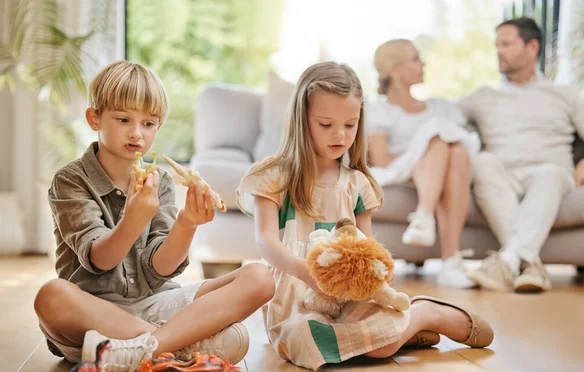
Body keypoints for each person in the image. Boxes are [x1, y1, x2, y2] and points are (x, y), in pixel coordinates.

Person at [236, 62, 493, 371]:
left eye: (350, 124)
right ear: (301, 120)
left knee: (380, 339)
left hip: (349, 295)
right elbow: (265, 240)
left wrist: (380, 274)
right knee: (302, 337)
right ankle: (401, 331)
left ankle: (424, 314)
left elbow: (368, 242)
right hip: (295, 296)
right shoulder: (275, 175)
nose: (340, 134)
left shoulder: (356, 182)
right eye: (326, 124)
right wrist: (305, 272)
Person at [33, 60, 275, 371]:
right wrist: (133, 219)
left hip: (155, 304)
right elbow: (99, 259)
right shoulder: (70, 181)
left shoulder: (159, 182)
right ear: (95, 118)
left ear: (158, 126)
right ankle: (175, 348)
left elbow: (160, 269)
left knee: (260, 278)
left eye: (148, 124)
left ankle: (135, 353)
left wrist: (187, 224)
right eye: (123, 119)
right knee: (51, 296)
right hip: (95, 312)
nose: (137, 133)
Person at [458, 17, 584, 292]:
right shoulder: (482, 97)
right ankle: (527, 265)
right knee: (482, 161)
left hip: (549, 174)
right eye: (497, 45)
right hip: (501, 177)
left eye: (506, 44)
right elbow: (438, 117)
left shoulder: (566, 94)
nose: (499, 51)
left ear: (532, 47)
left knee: (549, 173)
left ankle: (507, 261)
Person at [365, 39, 480, 288]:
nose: (423, 63)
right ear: (394, 69)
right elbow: (382, 160)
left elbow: (461, 149)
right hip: (401, 171)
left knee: (456, 153)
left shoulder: (439, 107)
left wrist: (434, 155)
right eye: (415, 59)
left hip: (452, 170)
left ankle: (426, 221)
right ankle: (447, 253)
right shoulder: (380, 111)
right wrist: (425, 152)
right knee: (436, 136)